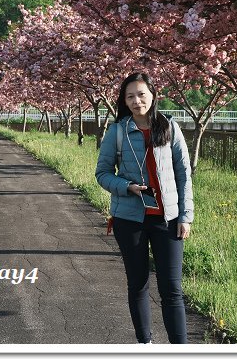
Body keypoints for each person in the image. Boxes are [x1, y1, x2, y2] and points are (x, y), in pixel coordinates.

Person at [95, 72, 194, 344]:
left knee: (172, 289)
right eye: (130, 96)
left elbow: (183, 174)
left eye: (141, 94)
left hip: (167, 219)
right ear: (124, 101)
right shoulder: (117, 132)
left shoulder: (170, 128)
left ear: (152, 95)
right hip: (129, 220)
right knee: (138, 284)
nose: (137, 100)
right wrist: (126, 186)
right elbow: (102, 173)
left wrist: (186, 216)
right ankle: (145, 344)